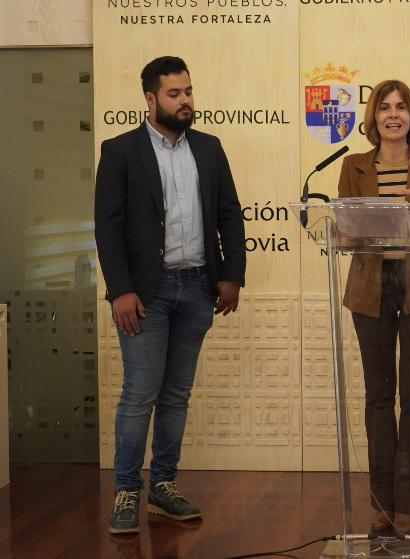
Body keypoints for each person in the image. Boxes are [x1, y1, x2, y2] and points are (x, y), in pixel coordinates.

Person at [95, 56, 246, 534]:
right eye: (174, 94)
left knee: (176, 395)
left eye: (188, 92)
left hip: (198, 286)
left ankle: (163, 486)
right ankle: (126, 490)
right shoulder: (121, 151)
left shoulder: (209, 147)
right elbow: (108, 227)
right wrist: (120, 290)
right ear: (150, 98)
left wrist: (232, 275)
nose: (185, 101)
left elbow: (229, 214)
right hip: (146, 293)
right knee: (140, 393)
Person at [336, 79, 410, 535]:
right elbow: (344, 229)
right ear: (373, 116)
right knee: (378, 396)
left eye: (401, 107)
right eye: (384, 107)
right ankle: (382, 501)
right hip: (371, 288)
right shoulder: (353, 166)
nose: (393, 114)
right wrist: (350, 229)